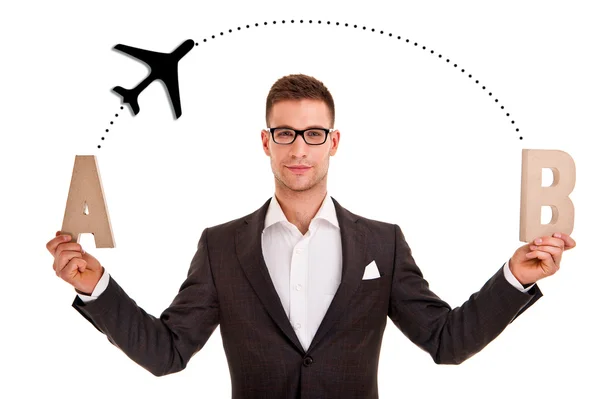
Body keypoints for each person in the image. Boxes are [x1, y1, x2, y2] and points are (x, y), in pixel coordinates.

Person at [47, 74, 576, 398]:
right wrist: (96, 286)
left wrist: (514, 278)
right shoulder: (221, 246)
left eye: (313, 134)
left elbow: (446, 341)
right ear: (266, 141)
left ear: (333, 142)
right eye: (286, 134)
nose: (299, 148)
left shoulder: (382, 243)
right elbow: (168, 352)